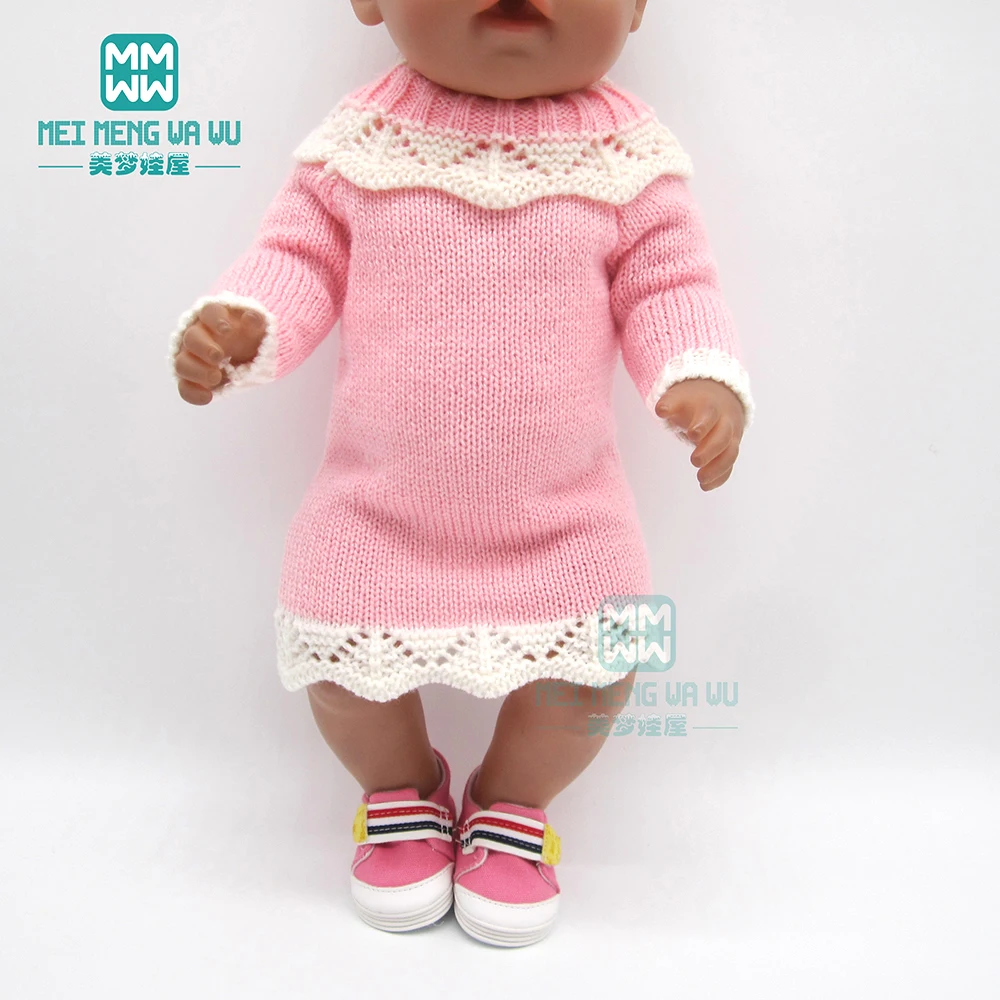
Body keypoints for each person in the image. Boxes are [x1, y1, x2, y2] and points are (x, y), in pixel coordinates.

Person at [167, 0, 753, 947]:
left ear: (639, 4)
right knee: (340, 666)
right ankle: (401, 790)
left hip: (569, 519)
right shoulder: (359, 145)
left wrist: (697, 374)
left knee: (603, 663)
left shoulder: (629, 161)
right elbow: (298, 258)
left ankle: (512, 802)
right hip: (375, 510)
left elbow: (671, 283)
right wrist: (247, 324)